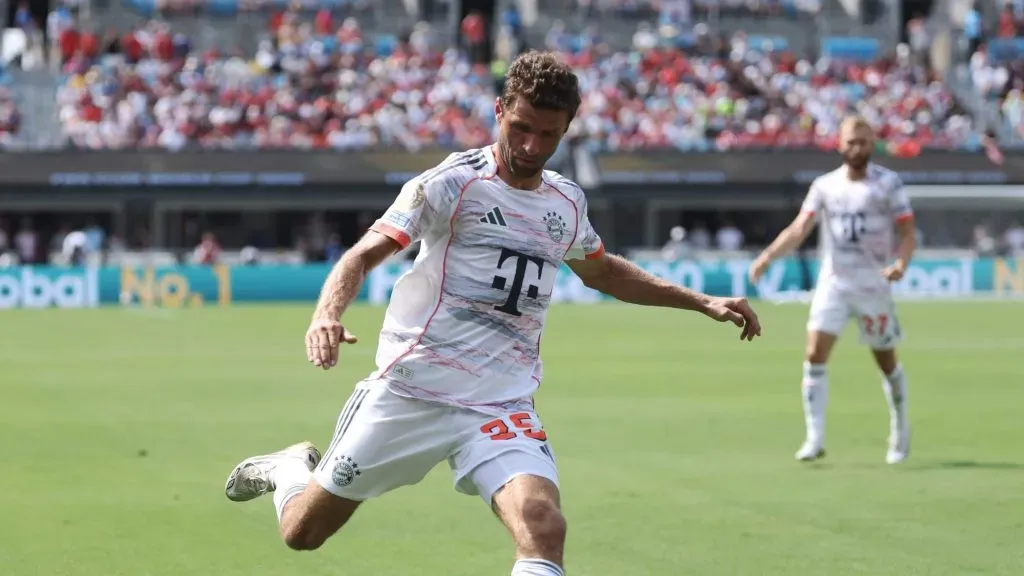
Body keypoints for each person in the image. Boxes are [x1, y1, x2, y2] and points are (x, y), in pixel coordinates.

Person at [223, 51, 762, 576]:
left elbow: (603, 272)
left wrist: (701, 301)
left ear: (568, 128)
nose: (531, 146)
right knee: (303, 533)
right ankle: (292, 466)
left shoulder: (566, 202)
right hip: (412, 390)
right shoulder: (450, 183)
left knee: (543, 527)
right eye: (522, 127)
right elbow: (362, 255)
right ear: (500, 110)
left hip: (500, 402)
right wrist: (326, 315)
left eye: (548, 134)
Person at [748, 116, 916, 465]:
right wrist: (767, 256)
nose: (857, 148)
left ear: (873, 144)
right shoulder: (825, 186)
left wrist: (900, 264)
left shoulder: (888, 184)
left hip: (873, 286)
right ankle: (815, 437)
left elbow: (908, 233)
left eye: (864, 142)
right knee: (814, 354)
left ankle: (900, 429)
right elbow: (800, 228)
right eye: (851, 142)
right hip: (834, 283)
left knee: (886, 362)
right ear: (839, 144)